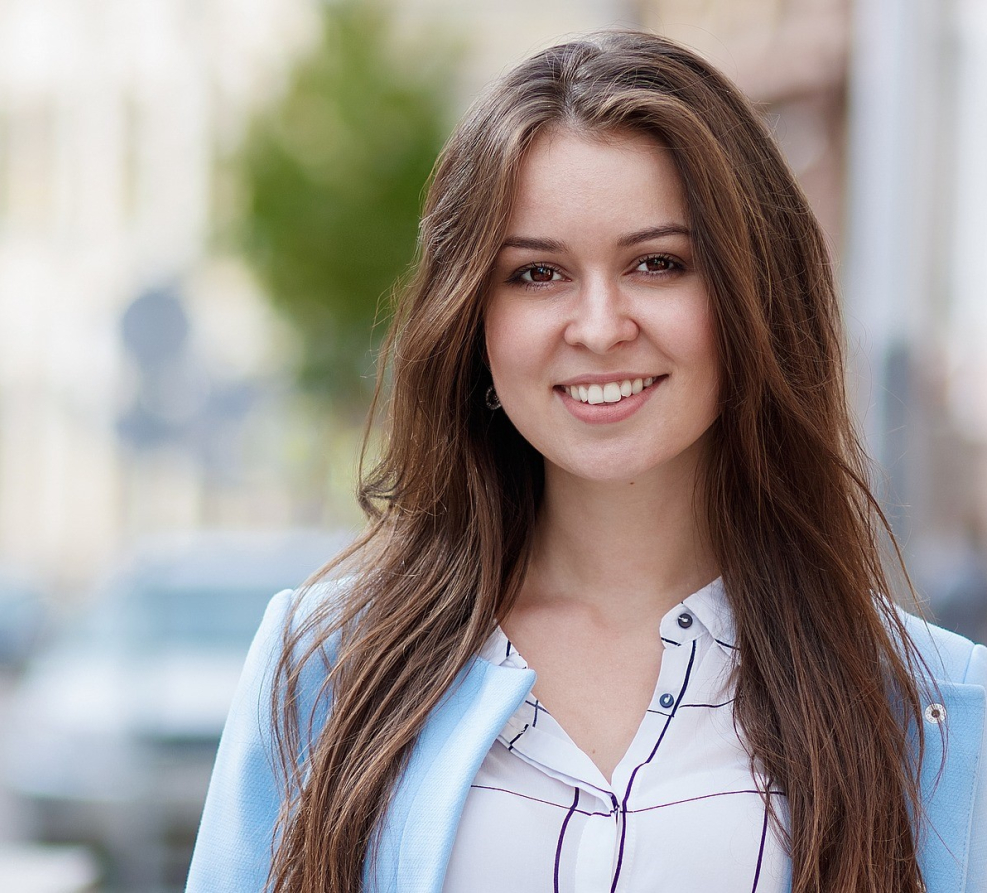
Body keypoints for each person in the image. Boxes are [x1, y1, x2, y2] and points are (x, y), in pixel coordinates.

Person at [185, 30, 987, 893]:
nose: (600, 326)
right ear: (473, 320)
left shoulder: (936, 707)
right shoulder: (325, 669)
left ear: (753, 294)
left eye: (658, 263)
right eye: (537, 274)